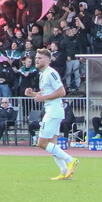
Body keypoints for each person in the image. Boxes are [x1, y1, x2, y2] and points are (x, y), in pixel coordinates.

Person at [25, 48, 79, 180]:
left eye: (40, 58)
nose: (37, 60)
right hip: (52, 110)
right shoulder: (43, 74)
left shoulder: (51, 73)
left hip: (53, 111)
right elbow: (46, 93)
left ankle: (70, 159)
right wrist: (33, 94)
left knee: (42, 143)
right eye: (36, 58)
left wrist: (43, 98)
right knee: (52, 145)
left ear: (48, 60)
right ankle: (64, 171)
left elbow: (61, 92)